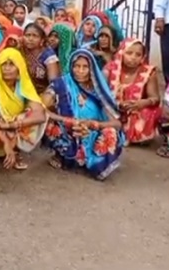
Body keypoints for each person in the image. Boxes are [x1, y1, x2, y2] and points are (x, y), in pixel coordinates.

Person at [42, 49, 124, 180]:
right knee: (51, 125)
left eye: (85, 67)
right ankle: (62, 156)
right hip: (69, 131)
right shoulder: (61, 84)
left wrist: (94, 124)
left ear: (92, 69)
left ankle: (96, 164)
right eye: (76, 66)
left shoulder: (98, 89)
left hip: (91, 132)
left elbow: (117, 123)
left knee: (111, 132)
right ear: (71, 66)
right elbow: (41, 108)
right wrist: (67, 120)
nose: (80, 71)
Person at [0, 48, 47, 170]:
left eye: (11, 64)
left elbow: (41, 115)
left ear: (19, 67)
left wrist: (10, 125)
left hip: (9, 126)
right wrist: (2, 134)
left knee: (34, 112)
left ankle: (14, 149)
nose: (7, 68)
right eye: (3, 64)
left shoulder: (22, 83)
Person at [104, 38, 161, 145]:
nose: (133, 57)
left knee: (149, 113)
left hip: (134, 110)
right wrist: (116, 104)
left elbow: (155, 98)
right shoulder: (110, 68)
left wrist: (142, 103)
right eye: (129, 53)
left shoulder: (148, 72)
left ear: (143, 57)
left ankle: (132, 135)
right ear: (122, 53)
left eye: (138, 55)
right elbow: (99, 91)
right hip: (112, 108)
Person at [20, 23, 60, 95]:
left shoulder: (48, 55)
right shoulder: (20, 51)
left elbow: (53, 82)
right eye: (27, 35)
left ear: (42, 40)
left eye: (35, 36)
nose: (30, 39)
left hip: (43, 93)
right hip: (23, 92)